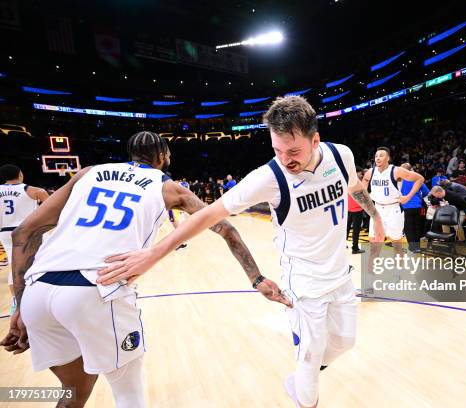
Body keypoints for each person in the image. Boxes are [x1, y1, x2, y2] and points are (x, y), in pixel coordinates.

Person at [96, 97, 384, 408]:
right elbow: (208, 214)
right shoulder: (269, 177)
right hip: (303, 283)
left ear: (315, 140)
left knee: (344, 342)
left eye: (294, 151)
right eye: (277, 150)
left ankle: (300, 377)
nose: (286, 159)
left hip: (340, 274)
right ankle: (304, 383)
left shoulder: (341, 156)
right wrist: (153, 254)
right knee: (311, 359)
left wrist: (376, 216)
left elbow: (355, 186)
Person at [0, 131, 286, 408]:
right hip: (97, 288)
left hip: (39, 293)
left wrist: (21, 304)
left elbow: (23, 233)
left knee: (74, 393)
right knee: (128, 397)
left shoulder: (87, 173)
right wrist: (256, 277)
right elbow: (227, 229)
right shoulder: (168, 187)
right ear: (162, 156)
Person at [362, 147, 425, 267]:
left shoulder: (396, 171)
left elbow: (420, 179)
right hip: (377, 210)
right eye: (376, 156)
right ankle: (371, 278)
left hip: (393, 210)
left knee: (397, 245)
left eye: (381, 155)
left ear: (388, 158)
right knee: (374, 246)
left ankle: (398, 274)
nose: (378, 158)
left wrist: (407, 197)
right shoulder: (370, 172)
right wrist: (366, 196)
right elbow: (364, 183)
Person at [0, 164, 49, 314]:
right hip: (28, 231)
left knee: (15, 265)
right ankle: (38, 298)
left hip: (5, 232)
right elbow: (51, 207)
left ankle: (16, 300)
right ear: (20, 174)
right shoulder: (34, 190)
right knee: (38, 262)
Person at [400, 163, 429, 253]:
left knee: (409, 228)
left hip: (406, 207)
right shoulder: (417, 179)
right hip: (418, 206)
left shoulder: (400, 180)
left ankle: (413, 247)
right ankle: (417, 246)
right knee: (418, 226)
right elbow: (426, 192)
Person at [347, 168, 365, 254]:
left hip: (348, 209)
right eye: (361, 173)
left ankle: (342, 248)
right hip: (357, 209)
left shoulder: (346, 179)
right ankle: (355, 248)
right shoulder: (358, 182)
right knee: (355, 230)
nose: (362, 175)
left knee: (346, 229)